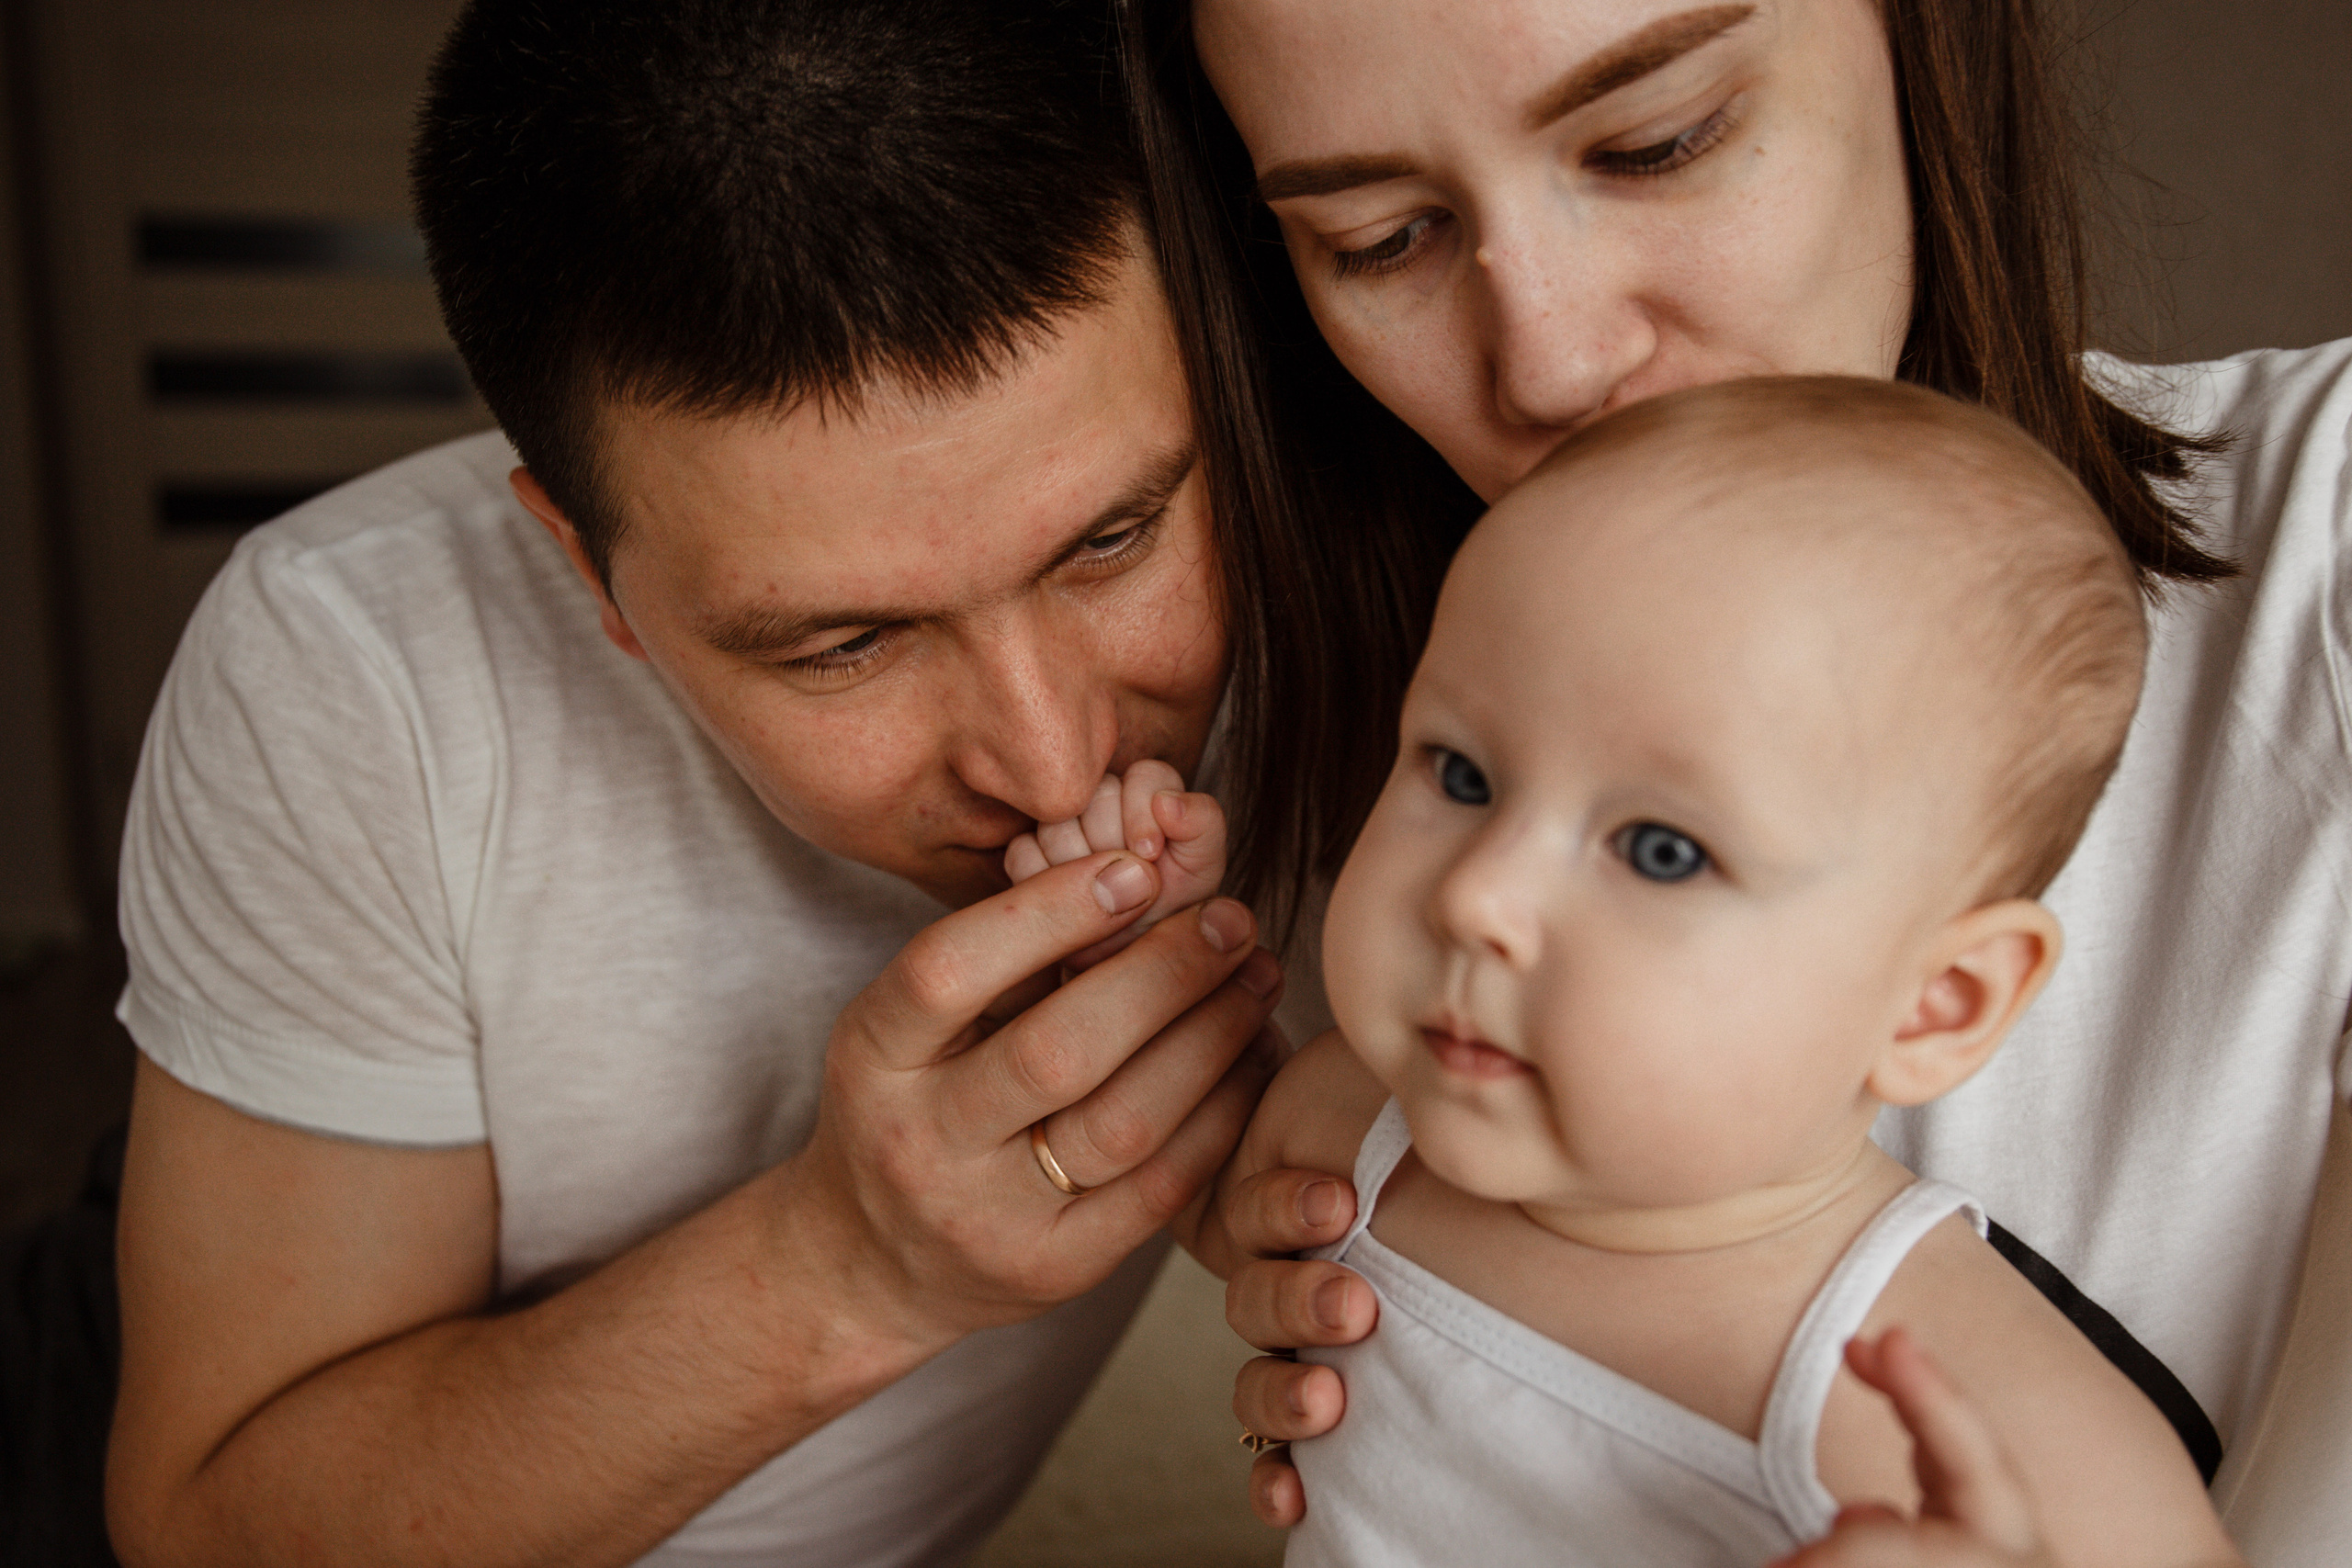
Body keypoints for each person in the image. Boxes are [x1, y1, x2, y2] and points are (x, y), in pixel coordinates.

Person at [100, 3, 1423, 1563]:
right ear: (586, 567)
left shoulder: (1383, 521)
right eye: (845, 645)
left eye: (1110, 543)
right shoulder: (349, 665)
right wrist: (851, 1265)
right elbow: (204, 1531)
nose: (1057, 757)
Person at [1123, 0, 2352, 1536]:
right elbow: (1268, 1195)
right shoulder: (1370, 736)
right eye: (1377, 238)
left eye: (1657, 142)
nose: (1555, 363)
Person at [1203, 376, 2236, 1567]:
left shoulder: (1948, 1397)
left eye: (1660, 850)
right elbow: (1204, 1202)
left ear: (1934, 1005)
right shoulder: (1344, 1126)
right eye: (1461, 772)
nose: (1476, 896)